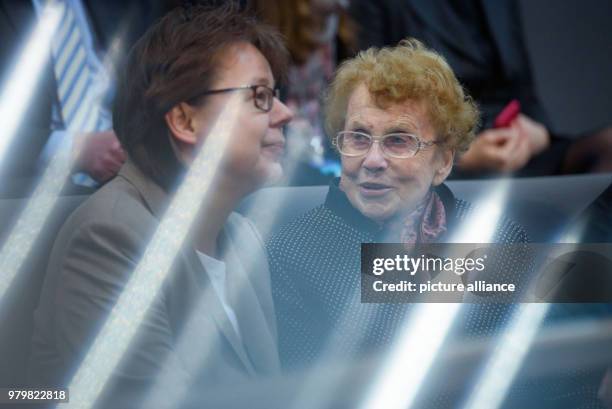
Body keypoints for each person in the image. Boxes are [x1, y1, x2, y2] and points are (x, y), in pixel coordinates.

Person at [28, 3, 292, 407]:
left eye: (275, 95)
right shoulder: (110, 236)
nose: (285, 113)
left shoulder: (243, 235)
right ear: (185, 122)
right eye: (259, 96)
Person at [268, 39, 529, 371]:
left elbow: (542, 380)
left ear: (443, 162)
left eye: (398, 140)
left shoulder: (495, 237)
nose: (373, 160)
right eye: (358, 137)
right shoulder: (289, 252)